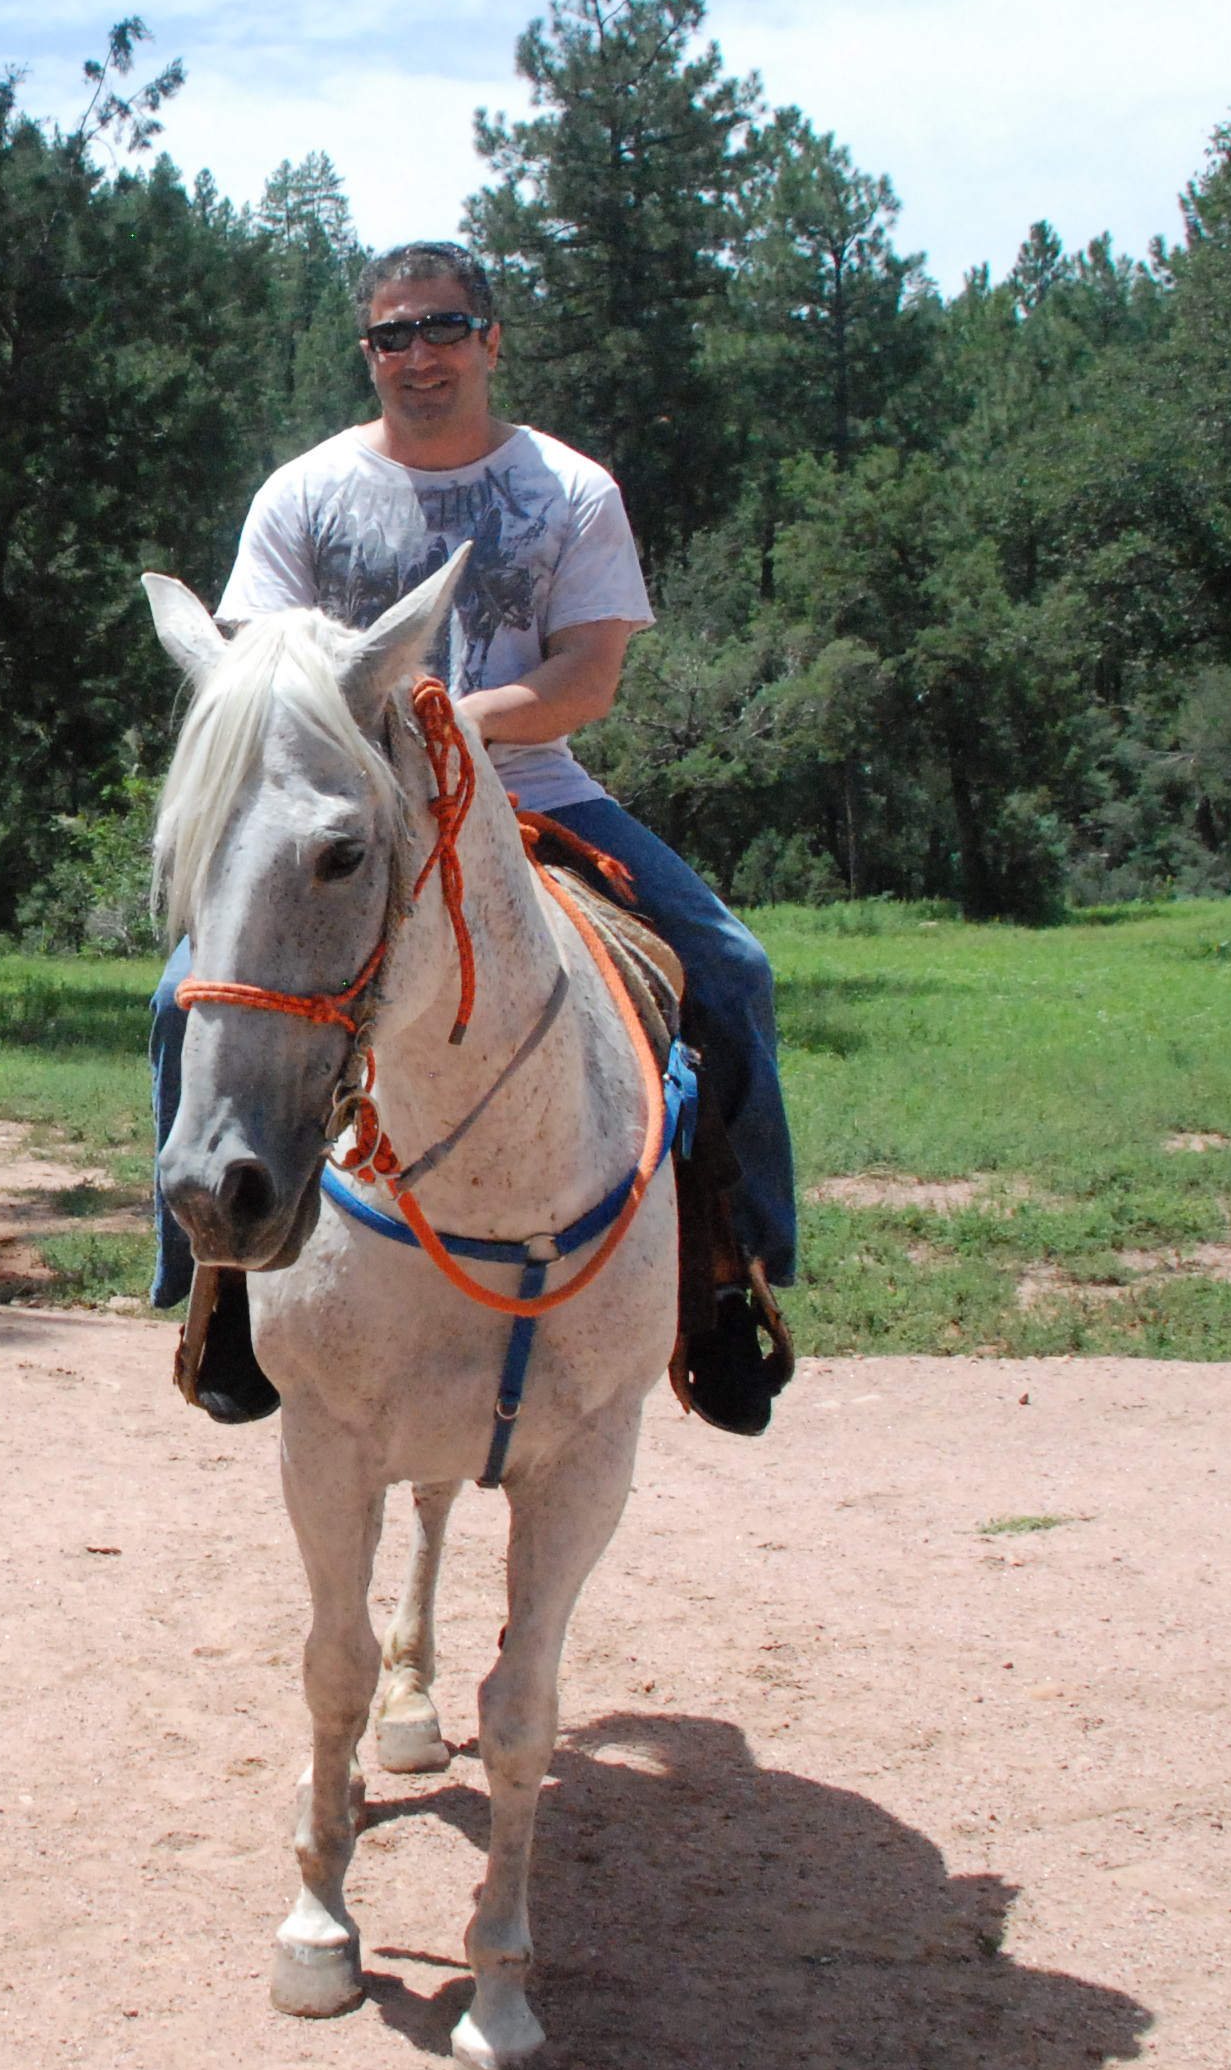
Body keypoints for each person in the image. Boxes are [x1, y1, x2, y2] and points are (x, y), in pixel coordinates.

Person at [152, 238, 798, 1432]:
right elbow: (254, 684)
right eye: (391, 335)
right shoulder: (300, 495)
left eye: (442, 328)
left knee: (726, 971)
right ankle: (217, 1289)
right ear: (367, 354)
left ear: (490, 341)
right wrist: (376, 757)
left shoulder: (568, 489)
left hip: (536, 788)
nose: (418, 355)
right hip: (345, 814)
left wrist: (435, 727)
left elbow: (583, 676)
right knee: (181, 996)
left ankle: (724, 1281)